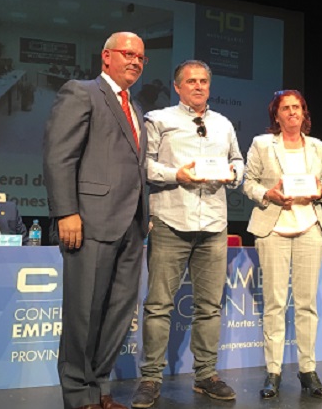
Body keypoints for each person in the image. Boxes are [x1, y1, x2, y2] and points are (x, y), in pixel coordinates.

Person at [43, 31, 149, 409]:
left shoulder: (135, 108)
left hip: (131, 226)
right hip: (88, 221)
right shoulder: (82, 91)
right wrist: (66, 211)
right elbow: (60, 157)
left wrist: (144, 213)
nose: (135, 61)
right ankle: (78, 395)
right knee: (83, 313)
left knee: (118, 313)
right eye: (128, 54)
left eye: (141, 57)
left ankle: (99, 389)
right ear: (107, 57)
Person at [131, 60, 244, 408]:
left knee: (209, 307)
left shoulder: (223, 124)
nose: (198, 86)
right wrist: (176, 175)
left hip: (213, 223)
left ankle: (206, 375)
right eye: (191, 81)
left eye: (204, 81)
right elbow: (144, 165)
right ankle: (150, 379)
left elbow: (238, 161)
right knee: (159, 305)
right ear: (177, 86)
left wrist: (232, 174)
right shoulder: (158, 119)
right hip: (171, 221)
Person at [242, 89, 322, 399]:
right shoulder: (262, 144)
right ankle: (274, 371)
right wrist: (269, 194)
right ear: (276, 115)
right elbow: (247, 182)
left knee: (307, 304)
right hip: (274, 228)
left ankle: (308, 370)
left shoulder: (317, 146)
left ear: (304, 113)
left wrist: (320, 192)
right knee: (275, 303)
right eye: (286, 108)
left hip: (309, 227)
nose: (293, 112)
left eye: (298, 107)